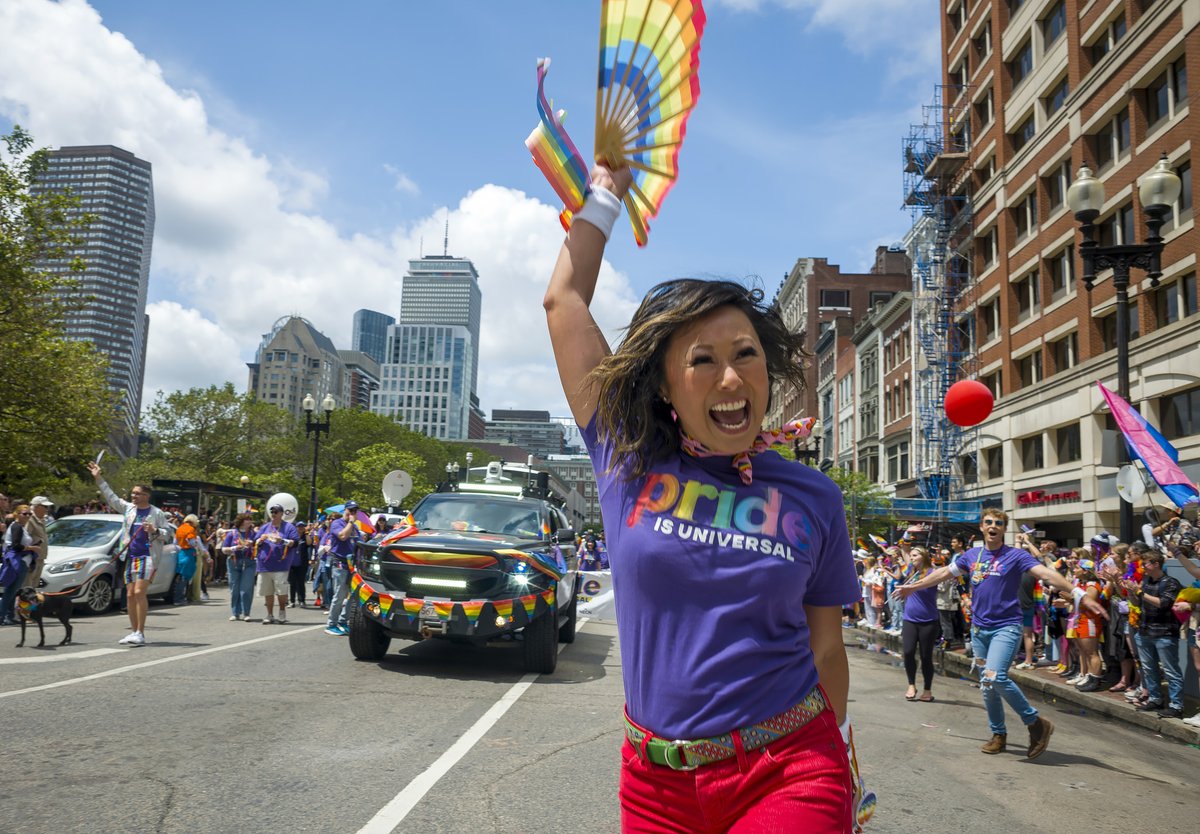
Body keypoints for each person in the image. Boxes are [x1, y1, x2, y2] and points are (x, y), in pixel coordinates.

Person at [544, 164, 866, 832]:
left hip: (789, 769)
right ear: (665, 386)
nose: (730, 376)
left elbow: (827, 651)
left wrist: (832, 761)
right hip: (653, 784)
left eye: (746, 354)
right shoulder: (624, 459)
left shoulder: (815, 496)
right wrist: (605, 194)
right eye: (701, 360)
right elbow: (564, 302)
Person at [897, 507, 1107, 758]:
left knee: (995, 677)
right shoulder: (971, 556)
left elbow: (1046, 573)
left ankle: (1036, 724)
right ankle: (999, 735)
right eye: (988, 522)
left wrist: (1078, 593)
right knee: (987, 686)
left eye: (998, 523)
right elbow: (944, 572)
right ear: (982, 528)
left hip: (1006, 627)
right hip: (979, 629)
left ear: (1004, 529)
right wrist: (914, 587)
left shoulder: (1015, 556)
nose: (993, 526)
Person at [89, 461, 171, 646]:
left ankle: (141, 632)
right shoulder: (129, 509)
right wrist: (99, 478)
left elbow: (169, 533)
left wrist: (155, 530)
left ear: (146, 496)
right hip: (129, 556)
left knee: (140, 592)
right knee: (129, 595)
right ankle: (134, 631)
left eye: (137, 493)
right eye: (133, 493)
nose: (133, 496)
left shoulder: (157, 513)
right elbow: (111, 497)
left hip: (148, 557)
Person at [1121, 549, 1184, 718]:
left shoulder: (1171, 582)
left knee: (1171, 671)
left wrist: (1140, 592)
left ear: (1156, 564)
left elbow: (1163, 603)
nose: (1143, 568)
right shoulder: (1147, 581)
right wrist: (1132, 592)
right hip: (1144, 631)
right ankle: (1155, 699)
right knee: (1149, 668)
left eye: (1145, 564)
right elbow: (1137, 602)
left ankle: (1176, 705)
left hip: (1164, 633)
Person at [900, 547, 939, 703]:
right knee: (908, 652)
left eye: (915, 555)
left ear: (923, 556)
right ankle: (911, 684)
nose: (912, 557)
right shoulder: (910, 571)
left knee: (925, 656)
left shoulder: (932, 573)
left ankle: (927, 689)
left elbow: (926, 584)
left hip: (928, 621)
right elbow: (903, 549)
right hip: (910, 619)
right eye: (911, 556)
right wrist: (907, 534)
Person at [254, 504, 298, 624]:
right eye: (272, 512)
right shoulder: (265, 527)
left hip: (281, 564)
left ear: (281, 514)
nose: (273, 514)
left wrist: (282, 540)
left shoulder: (289, 527)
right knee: (267, 591)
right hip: (265, 565)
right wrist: (260, 539)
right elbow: (256, 541)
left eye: (276, 512)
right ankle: (269, 614)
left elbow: (295, 542)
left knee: (281, 591)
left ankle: (282, 611)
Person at [324, 503, 361, 636]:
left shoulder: (355, 527)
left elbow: (359, 543)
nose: (352, 513)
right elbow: (343, 536)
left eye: (355, 511)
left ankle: (343, 621)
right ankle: (331, 624)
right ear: (344, 510)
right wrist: (351, 522)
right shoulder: (337, 523)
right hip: (339, 563)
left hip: (351, 564)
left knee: (353, 594)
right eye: (350, 510)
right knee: (339, 594)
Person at [1, 504, 36, 625]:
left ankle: (9, 616)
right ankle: (2, 617)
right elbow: (16, 546)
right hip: (18, 562)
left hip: (20, 561)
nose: (27, 516)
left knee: (13, 590)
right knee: (10, 591)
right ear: (17, 514)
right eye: (24, 513)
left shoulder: (19, 526)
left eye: (29, 514)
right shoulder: (17, 527)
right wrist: (32, 547)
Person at [222, 513, 257, 621]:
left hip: (249, 562)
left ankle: (246, 613)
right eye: (247, 519)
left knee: (246, 588)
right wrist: (234, 548)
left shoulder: (253, 533)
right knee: (234, 588)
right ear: (241, 521)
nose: (249, 522)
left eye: (250, 520)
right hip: (234, 562)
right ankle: (235, 612)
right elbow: (224, 549)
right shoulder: (232, 533)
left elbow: (258, 545)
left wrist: (253, 543)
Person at [23, 496, 54, 589]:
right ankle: (24, 603)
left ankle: (32, 603)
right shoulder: (30, 519)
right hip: (32, 558)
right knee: (27, 586)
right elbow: (25, 539)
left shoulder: (42, 519)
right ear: (36, 506)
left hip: (40, 557)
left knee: (34, 586)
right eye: (44, 506)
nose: (47, 509)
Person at [174, 514, 201, 605]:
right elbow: (191, 541)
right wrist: (195, 543)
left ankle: (179, 597)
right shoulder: (191, 529)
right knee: (185, 577)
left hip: (181, 553)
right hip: (189, 554)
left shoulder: (179, 528)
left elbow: (175, 542)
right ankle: (179, 598)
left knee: (180, 576)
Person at [288, 521, 309, 609]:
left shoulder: (305, 537)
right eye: (299, 526)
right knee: (292, 583)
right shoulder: (292, 537)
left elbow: (309, 543)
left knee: (301, 582)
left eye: (302, 527)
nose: (300, 528)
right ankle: (292, 601)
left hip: (302, 563)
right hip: (292, 563)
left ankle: (302, 600)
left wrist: (307, 533)